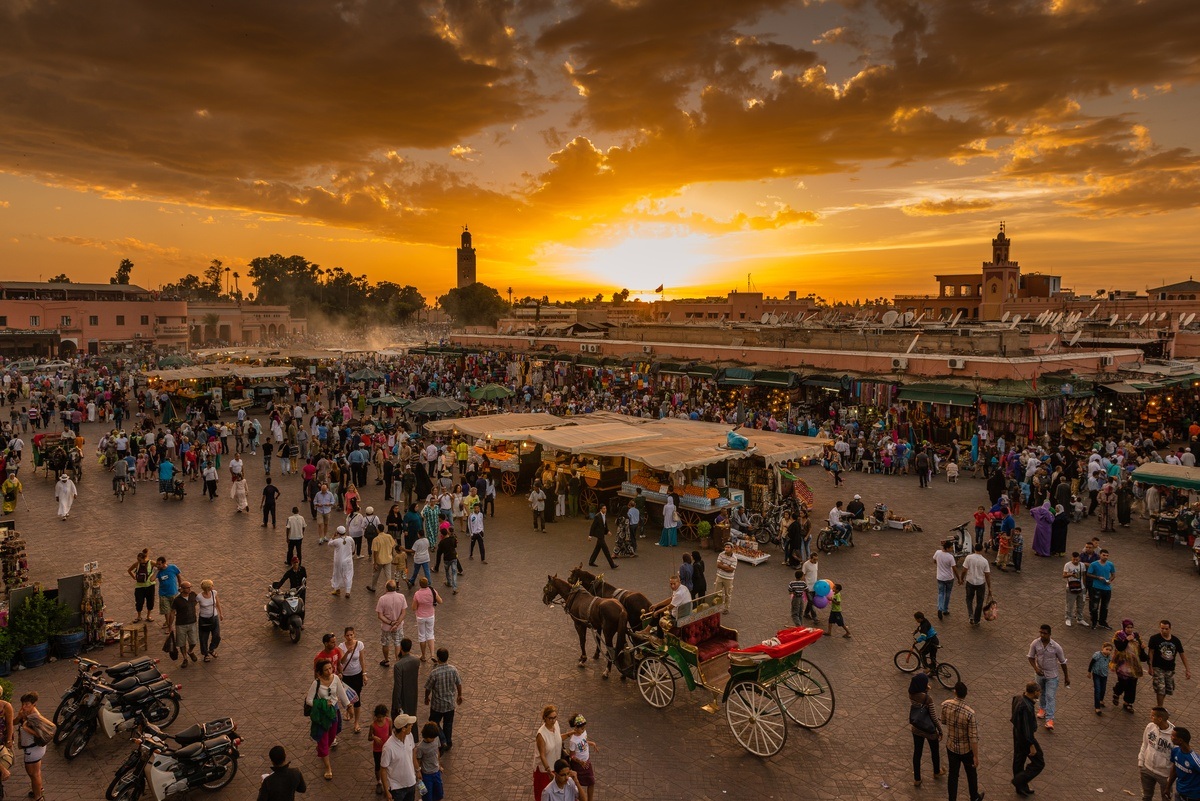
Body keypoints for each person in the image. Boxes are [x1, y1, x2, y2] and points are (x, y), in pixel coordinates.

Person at [306, 658, 350, 781]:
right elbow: (309, 701)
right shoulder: (316, 683)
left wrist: (348, 706)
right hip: (322, 717)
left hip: (334, 713)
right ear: (320, 672)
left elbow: (341, 694)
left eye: (330, 668)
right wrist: (323, 703)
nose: (329, 671)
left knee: (332, 737)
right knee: (324, 741)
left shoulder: (335, 678)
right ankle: (328, 768)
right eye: (326, 670)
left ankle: (322, 749)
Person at [941, 681, 983, 801]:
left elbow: (943, 721)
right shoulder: (970, 713)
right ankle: (974, 797)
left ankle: (952, 798)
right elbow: (973, 737)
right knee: (971, 774)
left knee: (953, 775)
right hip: (966, 750)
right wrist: (976, 756)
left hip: (951, 747)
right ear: (966, 694)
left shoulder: (945, 705)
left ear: (955, 692)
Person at [1027, 624, 1070, 729]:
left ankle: (1050, 720)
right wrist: (1036, 669)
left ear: (1049, 634)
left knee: (1050, 696)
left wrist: (1066, 677)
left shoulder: (1056, 647)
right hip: (1040, 674)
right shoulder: (1035, 643)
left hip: (1052, 676)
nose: (1042, 635)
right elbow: (1030, 657)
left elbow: (1063, 662)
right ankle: (1042, 709)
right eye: (1040, 632)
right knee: (1040, 693)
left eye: (1044, 633)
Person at [907, 673, 943, 787]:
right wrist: (940, 730)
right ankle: (936, 771)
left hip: (917, 728)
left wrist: (925, 690)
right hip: (929, 730)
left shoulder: (911, 694)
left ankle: (917, 778)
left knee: (917, 753)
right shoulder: (928, 699)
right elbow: (933, 716)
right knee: (934, 751)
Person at [424, 647, 462, 752]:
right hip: (450, 704)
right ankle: (448, 742)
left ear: (438, 658)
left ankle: (443, 740)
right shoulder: (453, 669)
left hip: (437, 705)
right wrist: (459, 695)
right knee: (448, 724)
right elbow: (458, 683)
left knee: (434, 722)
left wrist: (426, 697)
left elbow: (428, 688)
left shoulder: (434, 673)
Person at [1147, 619, 1191, 708]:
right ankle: (1160, 707)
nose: (1164, 630)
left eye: (1166, 629)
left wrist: (1188, 670)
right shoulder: (1154, 639)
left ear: (1170, 629)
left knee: (1167, 688)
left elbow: (1182, 655)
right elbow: (1150, 652)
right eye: (1162, 628)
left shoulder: (1176, 640)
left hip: (1170, 668)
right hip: (1157, 667)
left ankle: (1160, 705)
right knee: (1160, 688)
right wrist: (1150, 666)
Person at [1010, 681, 1043, 797]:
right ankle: (1019, 781)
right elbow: (1026, 729)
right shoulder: (1026, 707)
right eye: (1039, 691)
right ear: (1034, 692)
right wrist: (1031, 745)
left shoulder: (1018, 698)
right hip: (1025, 738)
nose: (1040, 693)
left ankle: (1021, 786)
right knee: (1039, 762)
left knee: (1019, 760)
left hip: (1018, 734)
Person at [15, 692, 47, 801]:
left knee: (33, 774)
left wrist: (26, 728)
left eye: (27, 704)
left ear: (34, 704)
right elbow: (14, 722)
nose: (24, 707)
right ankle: (39, 789)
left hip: (33, 749)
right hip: (34, 748)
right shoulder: (26, 713)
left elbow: (40, 733)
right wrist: (19, 717)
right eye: (23, 704)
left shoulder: (34, 716)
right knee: (36, 772)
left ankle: (38, 797)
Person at [1138, 706, 1174, 801]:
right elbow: (1145, 744)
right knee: (1146, 797)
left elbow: (1176, 758)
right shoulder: (1150, 727)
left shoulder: (1174, 735)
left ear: (1160, 719)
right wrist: (1141, 762)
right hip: (1147, 769)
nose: (1150, 717)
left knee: (1166, 798)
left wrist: (1170, 777)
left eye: (1153, 716)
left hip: (1164, 775)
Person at [379, 714, 418, 801]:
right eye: (409, 724)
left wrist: (417, 770)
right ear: (403, 729)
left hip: (411, 783)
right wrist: (387, 791)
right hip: (396, 789)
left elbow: (412, 754)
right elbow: (383, 770)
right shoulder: (388, 747)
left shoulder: (410, 736)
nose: (412, 725)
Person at [1112, 619, 1147, 713]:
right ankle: (1117, 692)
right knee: (1123, 682)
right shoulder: (1119, 635)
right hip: (1122, 664)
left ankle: (1128, 703)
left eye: (1131, 627)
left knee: (1132, 684)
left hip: (1134, 664)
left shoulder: (1136, 636)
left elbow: (1140, 651)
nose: (1130, 629)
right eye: (1128, 627)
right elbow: (1120, 647)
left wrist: (1143, 649)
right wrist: (1126, 640)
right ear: (1124, 627)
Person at [336, 626, 366, 734]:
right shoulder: (341, 647)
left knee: (357, 698)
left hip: (357, 674)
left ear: (354, 634)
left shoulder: (359, 644)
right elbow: (341, 662)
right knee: (347, 697)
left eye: (351, 635)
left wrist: (364, 674)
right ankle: (348, 711)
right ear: (344, 636)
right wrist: (348, 652)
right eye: (347, 635)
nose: (349, 637)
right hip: (346, 676)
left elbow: (362, 660)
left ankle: (356, 722)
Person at [534, 705, 564, 801]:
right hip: (545, 771)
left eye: (555, 717)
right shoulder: (541, 734)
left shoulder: (556, 725)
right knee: (544, 795)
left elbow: (557, 739)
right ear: (545, 718)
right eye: (550, 718)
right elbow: (542, 755)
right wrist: (549, 771)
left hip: (556, 767)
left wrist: (570, 734)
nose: (553, 720)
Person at [566, 713, 597, 801]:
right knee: (577, 785)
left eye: (584, 728)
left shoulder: (584, 733)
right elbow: (571, 755)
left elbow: (584, 741)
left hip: (586, 762)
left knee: (591, 782)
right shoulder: (573, 740)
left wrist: (591, 743)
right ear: (576, 727)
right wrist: (579, 762)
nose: (583, 730)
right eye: (581, 728)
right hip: (578, 766)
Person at [168, 580, 200, 667]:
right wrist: (170, 625)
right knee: (181, 643)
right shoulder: (177, 600)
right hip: (181, 624)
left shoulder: (193, 594)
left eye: (190, 587)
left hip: (192, 622)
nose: (189, 589)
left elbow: (199, 600)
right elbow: (172, 612)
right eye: (187, 588)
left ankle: (190, 651)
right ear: (182, 589)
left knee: (193, 641)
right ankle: (185, 658)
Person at [376, 581, 408, 666]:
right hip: (398, 626)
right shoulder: (401, 597)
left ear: (386, 588)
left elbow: (380, 615)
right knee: (398, 643)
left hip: (386, 627)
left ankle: (386, 660)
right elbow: (403, 613)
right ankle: (398, 661)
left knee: (385, 643)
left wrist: (390, 623)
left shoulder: (382, 599)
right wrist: (397, 624)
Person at [959, 544, 991, 626]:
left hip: (970, 581)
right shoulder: (984, 561)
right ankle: (977, 620)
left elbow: (964, 570)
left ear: (974, 549)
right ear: (982, 549)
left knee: (969, 599)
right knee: (979, 602)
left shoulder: (969, 558)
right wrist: (989, 587)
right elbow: (987, 575)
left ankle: (971, 615)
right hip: (980, 583)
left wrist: (961, 579)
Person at [412, 576, 442, 662]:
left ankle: (423, 656)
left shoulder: (417, 594)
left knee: (422, 636)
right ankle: (432, 654)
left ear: (420, 585)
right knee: (430, 634)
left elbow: (414, 608)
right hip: (430, 616)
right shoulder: (432, 591)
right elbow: (440, 601)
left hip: (420, 616)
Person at [1087, 548, 1116, 629]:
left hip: (1107, 589)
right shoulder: (1094, 564)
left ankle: (1102, 622)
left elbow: (1113, 574)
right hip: (1096, 588)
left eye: (1107, 555)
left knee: (1105, 606)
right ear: (1100, 555)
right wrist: (1097, 577)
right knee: (1095, 606)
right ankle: (1094, 622)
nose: (1105, 557)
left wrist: (1110, 580)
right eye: (1104, 555)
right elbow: (1089, 574)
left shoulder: (1110, 564)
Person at [391, 639, 420, 719]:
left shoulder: (398, 665)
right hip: (413, 693)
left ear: (401, 647)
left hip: (403, 696)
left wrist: (397, 704)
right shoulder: (416, 661)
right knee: (412, 716)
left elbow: (398, 685)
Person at [1169, 727, 1200, 801]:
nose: (1171, 738)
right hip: (1179, 794)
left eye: (1173, 736)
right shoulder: (1175, 751)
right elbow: (1174, 770)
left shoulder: (1195, 760)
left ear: (1180, 740)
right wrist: (1168, 787)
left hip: (1192, 797)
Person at [415, 722, 444, 801]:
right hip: (426, 776)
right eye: (432, 738)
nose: (433, 739)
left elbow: (437, 752)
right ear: (426, 736)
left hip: (436, 772)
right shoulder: (420, 747)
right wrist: (418, 773)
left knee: (439, 795)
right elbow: (418, 760)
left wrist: (439, 765)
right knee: (426, 796)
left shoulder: (436, 738)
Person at [127, 548, 157, 623]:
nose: (138, 561)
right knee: (139, 601)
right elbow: (129, 570)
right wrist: (134, 577)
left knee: (150, 601)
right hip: (139, 586)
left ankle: (148, 616)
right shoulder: (137, 564)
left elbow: (159, 566)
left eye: (140, 560)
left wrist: (155, 575)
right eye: (138, 560)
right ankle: (139, 616)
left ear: (144, 559)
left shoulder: (151, 563)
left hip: (150, 585)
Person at [197, 579, 223, 662]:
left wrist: (220, 613)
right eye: (211, 585)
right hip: (204, 619)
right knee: (204, 637)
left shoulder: (214, 593)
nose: (213, 586)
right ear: (207, 587)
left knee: (217, 636)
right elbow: (193, 605)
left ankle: (211, 648)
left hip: (214, 617)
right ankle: (205, 654)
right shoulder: (199, 597)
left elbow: (217, 603)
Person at [587, 504, 618, 570]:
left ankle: (591, 561)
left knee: (597, 549)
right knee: (606, 550)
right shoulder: (597, 516)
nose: (605, 510)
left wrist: (607, 531)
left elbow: (604, 525)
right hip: (600, 536)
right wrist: (590, 535)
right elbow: (593, 526)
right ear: (600, 509)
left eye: (605, 508)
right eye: (604, 508)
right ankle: (612, 564)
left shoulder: (604, 516)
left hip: (601, 535)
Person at [369, 523, 398, 593]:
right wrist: (392, 554)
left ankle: (373, 587)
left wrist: (375, 562)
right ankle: (391, 587)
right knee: (388, 575)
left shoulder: (376, 539)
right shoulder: (389, 536)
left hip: (379, 560)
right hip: (388, 559)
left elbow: (375, 552)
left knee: (375, 575)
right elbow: (392, 546)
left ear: (378, 530)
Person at [933, 539, 958, 621]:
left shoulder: (937, 553)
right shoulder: (950, 557)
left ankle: (940, 608)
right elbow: (954, 568)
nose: (951, 549)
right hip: (949, 578)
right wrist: (959, 578)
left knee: (941, 593)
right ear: (947, 548)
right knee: (947, 593)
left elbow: (934, 561)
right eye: (950, 548)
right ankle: (945, 609)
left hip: (940, 577)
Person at [327, 525, 354, 599]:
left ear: (338, 533)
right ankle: (348, 591)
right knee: (348, 575)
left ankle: (337, 589)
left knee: (337, 575)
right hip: (348, 561)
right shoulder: (350, 539)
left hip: (339, 561)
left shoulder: (336, 541)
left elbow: (329, 543)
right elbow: (353, 546)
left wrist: (333, 536)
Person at [370, 705, 391, 796]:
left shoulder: (389, 721)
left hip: (387, 748)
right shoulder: (373, 725)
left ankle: (388, 783)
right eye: (378, 717)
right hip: (377, 749)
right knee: (378, 766)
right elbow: (369, 737)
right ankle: (379, 782)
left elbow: (390, 734)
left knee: (388, 765)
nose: (380, 719)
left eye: (382, 717)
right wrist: (374, 737)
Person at [1090, 641, 1114, 715]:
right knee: (1097, 689)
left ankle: (1101, 700)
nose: (1108, 651)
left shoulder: (1109, 657)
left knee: (1103, 689)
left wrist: (1112, 668)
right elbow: (1091, 663)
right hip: (1096, 674)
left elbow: (1111, 664)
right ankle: (1097, 707)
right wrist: (1089, 672)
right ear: (1103, 648)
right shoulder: (1097, 655)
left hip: (1104, 675)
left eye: (1110, 650)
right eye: (1107, 649)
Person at [1063, 552, 1085, 627]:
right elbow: (1064, 575)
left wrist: (1084, 586)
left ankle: (1080, 618)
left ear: (1079, 558)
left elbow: (1084, 575)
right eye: (1073, 559)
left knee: (1081, 604)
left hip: (1081, 587)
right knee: (1070, 604)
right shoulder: (1068, 565)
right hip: (1071, 587)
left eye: (1077, 559)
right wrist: (1071, 574)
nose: (1075, 560)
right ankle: (1068, 618)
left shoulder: (1082, 565)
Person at [714, 542, 736, 613]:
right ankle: (716, 607)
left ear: (732, 549)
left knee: (728, 594)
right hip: (719, 576)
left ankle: (726, 609)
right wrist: (727, 567)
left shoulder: (734, 558)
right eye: (725, 547)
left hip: (729, 579)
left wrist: (722, 566)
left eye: (728, 547)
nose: (726, 549)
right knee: (717, 593)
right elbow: (718, 565)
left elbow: (731, 570)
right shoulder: (721, 554)